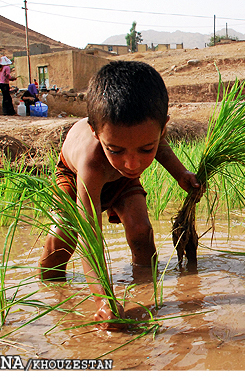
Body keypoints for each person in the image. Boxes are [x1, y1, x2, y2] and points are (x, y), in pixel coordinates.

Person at [39, 61, 201, 329]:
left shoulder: (138, 146)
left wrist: (181, 174)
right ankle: (52, 292)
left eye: (144, 149)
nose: (132, 164)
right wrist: (103, 300)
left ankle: (146, 290)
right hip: (73, 176)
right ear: (95, 131)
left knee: (141, 231)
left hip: (120, 182)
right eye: (116, 150)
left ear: (162, 128)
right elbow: (91, 238)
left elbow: (159, 147)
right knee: (64, 238)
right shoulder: (91, 161)